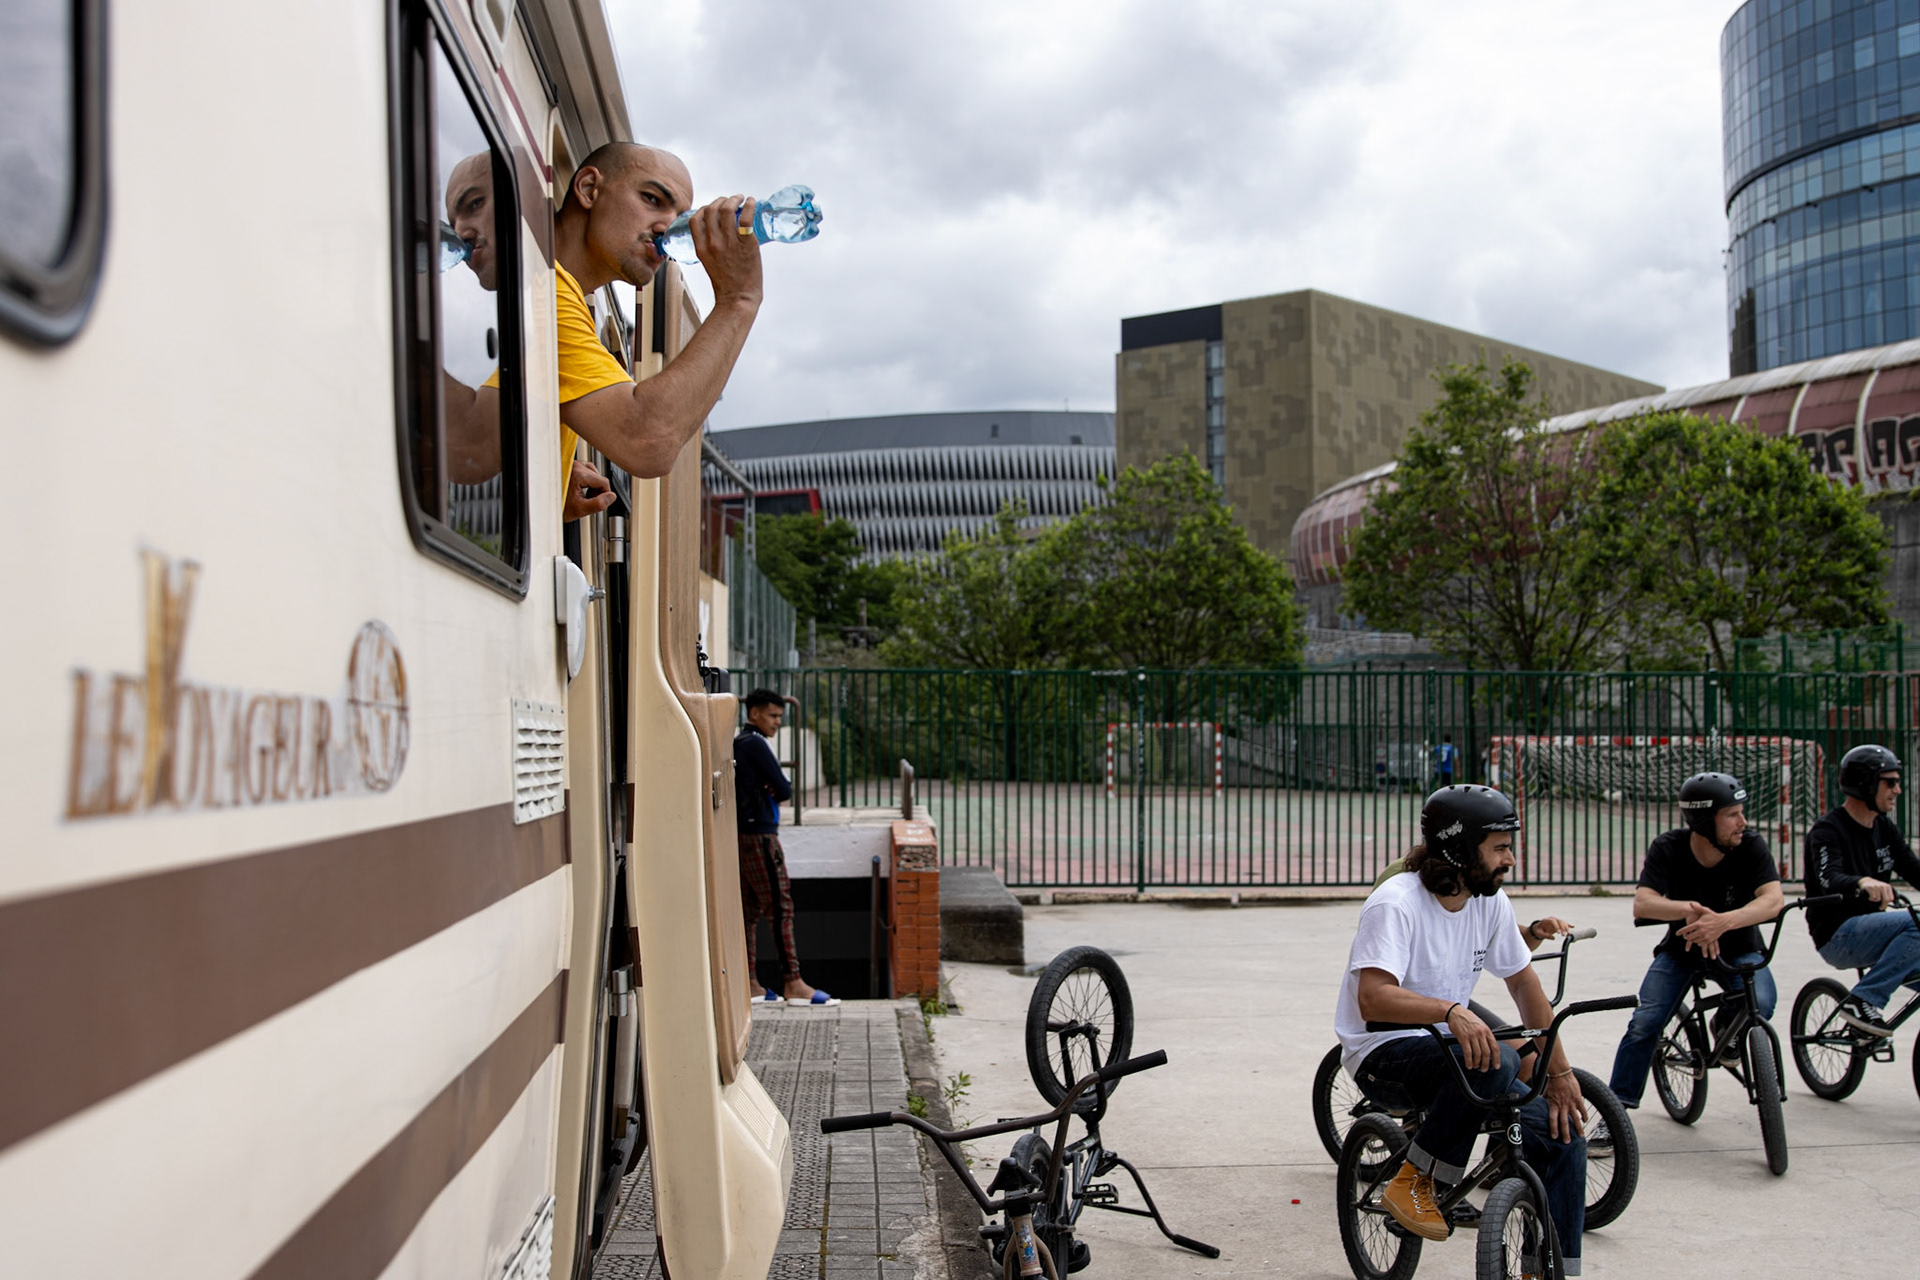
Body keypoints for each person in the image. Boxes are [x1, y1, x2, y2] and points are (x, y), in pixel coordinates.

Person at [1335, 785, 1589, 1274]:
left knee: (1564, 1134)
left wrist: (1559, 1076)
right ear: (1459, 849)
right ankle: (1415, 1180)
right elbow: (1373, 998)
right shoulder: (1396, 903)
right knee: (1496, 1058)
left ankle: (1553, 1270)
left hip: (1455, 1052)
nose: (1510, 859)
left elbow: (1524, 984)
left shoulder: (1489, 902)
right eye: (1500, 847)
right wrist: (1450, 1010)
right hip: (1384, 1052)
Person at [447, 142, 765, 521]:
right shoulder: (545, 290)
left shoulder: (558, 296)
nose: (668, 226)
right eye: (652, 199)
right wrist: (739, 299)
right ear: (588, 189)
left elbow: (476, 439)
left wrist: (551, 479)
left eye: (680, 215)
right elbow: (646, 439)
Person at [1605, 772, 1784, 1109]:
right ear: (1703, 820)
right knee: (1645, 1023)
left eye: (1742, 812)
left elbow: (1773, 900)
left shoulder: (1751, 846)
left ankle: (1725, 1026)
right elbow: (1643, 903)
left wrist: (1722, 923)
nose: (1743, 822)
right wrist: (1688, 910)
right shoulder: (1668, 847)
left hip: (1740, 948)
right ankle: (1615, 1111)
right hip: (1681, 951)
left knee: (1761, 1002)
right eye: (1732, 814)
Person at [1804, 744, 1920, 1036]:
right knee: (1918, 922)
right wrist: (1861, 882)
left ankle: (1864, 1024)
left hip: (1876, 932)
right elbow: (1828, 878)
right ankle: (1864, 999)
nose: (1898, 790)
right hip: (1837, 934)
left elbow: (1914, 870)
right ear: (1865, 783)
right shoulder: (1827, 830)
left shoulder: (1884, 828)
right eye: (1890, 782)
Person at [734, 688, 836, 1007]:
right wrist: (773, 786)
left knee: (748, 912)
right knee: (780, 908)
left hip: (743, 835)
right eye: (773, 715)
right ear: (754, 714)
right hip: (760, 836)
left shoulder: (739, 743)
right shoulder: (754, 743)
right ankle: (794, 983)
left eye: (780, 716)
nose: (778, 721)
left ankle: (751, 983)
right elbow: (784, 788)